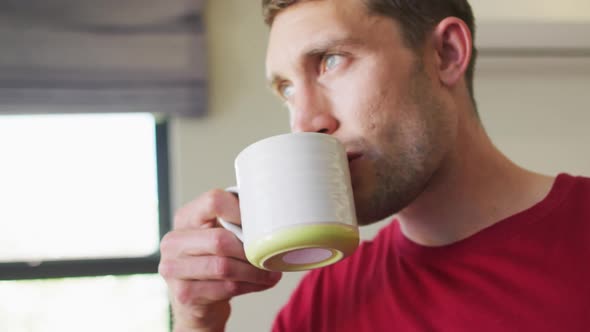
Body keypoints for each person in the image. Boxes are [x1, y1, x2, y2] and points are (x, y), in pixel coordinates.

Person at [159, 0, 590, 331]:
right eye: (287, 89)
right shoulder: (325, 300)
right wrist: (196, 320)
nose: (305, 123)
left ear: (445, 53)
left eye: (330, 61)